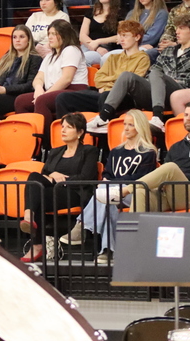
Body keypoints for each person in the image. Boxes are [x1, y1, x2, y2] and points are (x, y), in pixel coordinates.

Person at [64, 110, 158, 264]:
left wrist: (113, 182)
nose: (126, 128)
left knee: (106, 192)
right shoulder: (116, 151)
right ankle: (108, 251)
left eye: (131, 125)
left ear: (139, 127)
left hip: (134, 193)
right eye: (125, 124)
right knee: (109, 203)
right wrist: (108, 181)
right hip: (113, 194)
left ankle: (82, 225)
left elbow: (140, 178)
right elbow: (107, 173)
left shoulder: (148, 152)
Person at [114, 103, 190, 212]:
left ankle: (125, 190)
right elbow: (165, 175)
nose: (188, 118)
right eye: (186, 115)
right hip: (169, 195)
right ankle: (134, 231)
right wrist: (173, 178)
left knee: (171, 168)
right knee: (140, 193)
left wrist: (178, 177)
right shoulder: (175, 147)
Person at [19, 112, 98, 262]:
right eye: (62, 127)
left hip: (75, 192)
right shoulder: (55, 152)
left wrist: (57, 180)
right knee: (34, 178)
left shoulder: (89, 151)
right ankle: (30, 220)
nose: (63, 130)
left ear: (80, 132)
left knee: (38, 193)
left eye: (69, 127)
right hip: (54, 192)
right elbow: (44, 176)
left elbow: (85, 178)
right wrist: (53, 175)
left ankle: (36, 243)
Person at [15, 20, 89, 125]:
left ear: (64, 35)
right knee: (21, 101)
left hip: (74, 91)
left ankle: (44, 138)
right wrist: (39, 89)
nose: (50, 37)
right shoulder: (49, 56)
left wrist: (44, 95)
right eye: (49, 34)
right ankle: (29, 135)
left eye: (54, 34)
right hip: (53, 91)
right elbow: (38, 78)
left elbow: (66, 79)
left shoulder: (71, 50)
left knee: (42, 101)